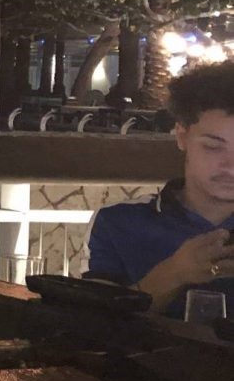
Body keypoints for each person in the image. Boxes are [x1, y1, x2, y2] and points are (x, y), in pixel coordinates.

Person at [87, 58, 234, 316]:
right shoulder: (121, 223)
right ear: (181, 137)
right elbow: (93, 327)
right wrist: (175, 273)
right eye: (213, 146)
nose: (230, 165)